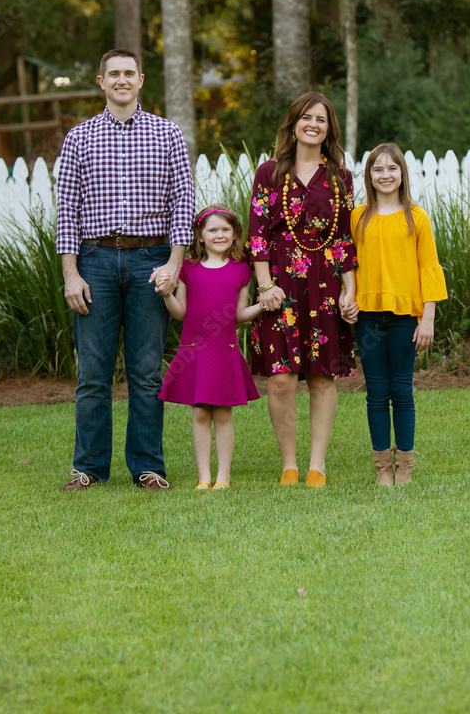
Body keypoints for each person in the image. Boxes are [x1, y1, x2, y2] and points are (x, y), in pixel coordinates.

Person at [56, 49, 195, 491]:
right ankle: (88, 469)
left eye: (128, 73)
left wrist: (174, 264)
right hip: (94, 262)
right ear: (101, 81)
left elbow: (183, 201)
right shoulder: (79, 137)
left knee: (147, 372)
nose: (121, 80)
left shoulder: (167, 133)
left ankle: (148, 467)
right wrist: (71, 274)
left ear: (140, 80)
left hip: (150, 262)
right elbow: (67, 211)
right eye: (113, 73)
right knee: (92, 374)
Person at [247, 91, 358, 487]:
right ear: (293, 124)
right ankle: (289, 465)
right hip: (280, 285)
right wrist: (264, 285)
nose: (313, 124)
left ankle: (317, 465)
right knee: (281, 378)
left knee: (321, 377)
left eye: (321, 119)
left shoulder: (341, 177)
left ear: (329, 130)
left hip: (326, 284)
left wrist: (350, 290)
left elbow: (345, 240)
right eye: (306, 117)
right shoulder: (269, 172)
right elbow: (257, 234)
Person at [349, 142, 447, 486]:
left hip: (406, 316)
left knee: (402, 391)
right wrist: (348, 297)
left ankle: (405, 465)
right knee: (376, 392)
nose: (385, 175)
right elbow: (349, 265)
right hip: (368, 317)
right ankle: (382, 467)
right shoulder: (358, 217)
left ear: (402, 174)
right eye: (378, 169)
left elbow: (428, 267)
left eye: (392, 168)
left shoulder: (416, 217)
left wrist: (427, 318)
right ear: (369, 175)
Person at [158, 206, 261, 490]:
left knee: (223, 414)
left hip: (224, 350)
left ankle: (223, 477)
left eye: (226, 229)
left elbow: (238, 315)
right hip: (195, 350)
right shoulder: (188, 268)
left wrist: (261, 306)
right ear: (200, 236)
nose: (220, 235)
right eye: (212, 230)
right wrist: (166, 295)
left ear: (235, 234)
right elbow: (181, 312)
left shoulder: (242, 270)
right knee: (200, 413)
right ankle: (204, 477)